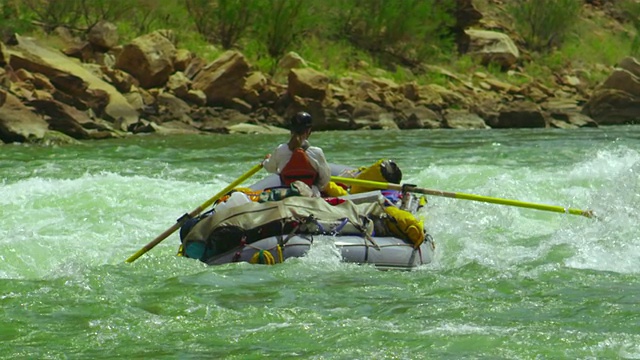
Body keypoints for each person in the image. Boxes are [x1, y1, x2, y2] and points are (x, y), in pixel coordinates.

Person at [262, 111, 331, 197]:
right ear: (309, 131)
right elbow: (325, 180)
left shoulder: (281, 150)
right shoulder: (317, 152)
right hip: (311, 194)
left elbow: (270, 168)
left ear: (291, 130)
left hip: (287, 194)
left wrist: (265, 161)